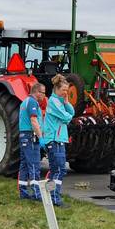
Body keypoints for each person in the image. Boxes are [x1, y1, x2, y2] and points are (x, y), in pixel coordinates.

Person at [43, 74, 74, 207]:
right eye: (63, 90)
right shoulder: (54, 102)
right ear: (56, 89)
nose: (65, 92)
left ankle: (51, 195)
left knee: (57, 169)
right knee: (59, 169)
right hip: (54, 140)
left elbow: (71, 112)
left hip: (59, 139)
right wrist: (67, 113)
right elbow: (67, 117)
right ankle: (54, 197)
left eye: (67, 90)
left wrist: (66, 102)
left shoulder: (60, 101)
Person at [18, 82, 46, 200]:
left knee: (24, 165)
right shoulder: (33, 102)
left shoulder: (25, 102)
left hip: (24, 136)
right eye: (43, 93)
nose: (44, 95)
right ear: (37, 92)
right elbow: (34, 120)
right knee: (34, 165)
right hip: (30, 137)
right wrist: (41, 138)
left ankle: (23, 192)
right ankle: (36, 193)